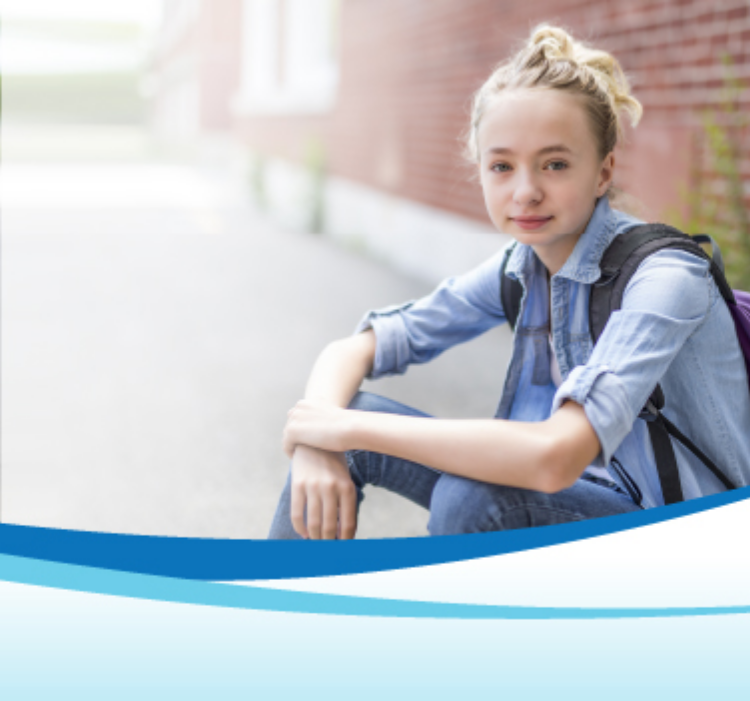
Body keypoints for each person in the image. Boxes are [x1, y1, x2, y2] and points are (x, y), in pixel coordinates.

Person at [268, 23, 750, 540]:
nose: (525, 192)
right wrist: (319, 442)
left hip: (682, 540)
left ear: (604, 172)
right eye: (501, 166)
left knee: (474, 494)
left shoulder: (665, 278)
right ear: (480, 170)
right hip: (576, 505)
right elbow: (355, 349)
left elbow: (554, 458)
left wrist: (340, 429)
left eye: (555, 164)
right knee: (349, 416)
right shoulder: (522, 265)